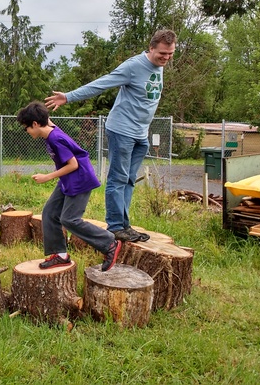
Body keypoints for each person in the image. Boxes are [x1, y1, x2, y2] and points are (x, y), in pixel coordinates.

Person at [45, 29, 176, 242]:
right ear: (151, 47)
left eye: (170, 54)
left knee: (130, 180)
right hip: (122, 130)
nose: (166, 58)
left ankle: (125, 225)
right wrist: (68, 97)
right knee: (118, 178)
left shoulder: (159, 66)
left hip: (141, 134)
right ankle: (115, 226)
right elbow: (102, 83)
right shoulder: (133, 66)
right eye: (162, 53)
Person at [17, 101, 121, 272]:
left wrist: (47, 177)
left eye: (26, 127)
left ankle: (109, 243)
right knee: (50, 212)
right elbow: (48, 120)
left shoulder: (55, 138)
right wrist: (40, 109)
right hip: (68, 179)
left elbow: (73, 164)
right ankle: (60, 255)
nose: (27, 131)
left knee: (69, 219)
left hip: (80, 179)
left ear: (35, 124)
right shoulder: (49, 129)